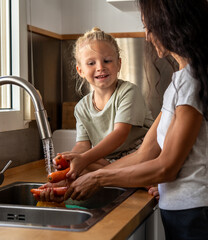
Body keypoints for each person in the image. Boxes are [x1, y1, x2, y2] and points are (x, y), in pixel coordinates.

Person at [63, 1, 208, 239]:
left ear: (171, 26)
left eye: (149, 26)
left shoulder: (195, 80)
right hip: (188, 217)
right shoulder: (183, 81)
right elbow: (143, 154)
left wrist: (99, 177)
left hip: (201, 220)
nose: (147, 35)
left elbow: (166, 167)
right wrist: (77, 182)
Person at [34, 27, 153, 202]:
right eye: (91, 63)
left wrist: (83, 159)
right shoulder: (81, 107)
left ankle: (142, 179)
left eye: (107, 61)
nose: (100, 67)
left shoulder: (128, 92)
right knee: (80, 165)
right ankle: (62, 188)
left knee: (87, 164)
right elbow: (82, 145)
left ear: (119, 64)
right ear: (80, 70)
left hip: (140, 156)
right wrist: (71, 162)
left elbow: (120, 134)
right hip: (110, 163)